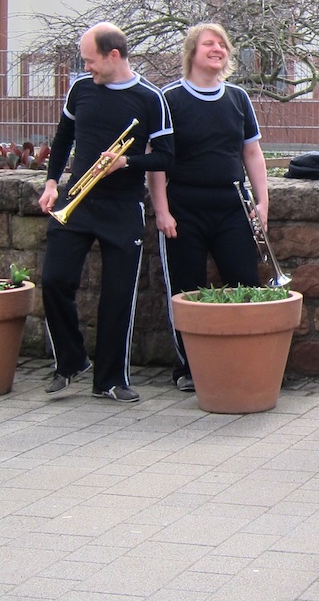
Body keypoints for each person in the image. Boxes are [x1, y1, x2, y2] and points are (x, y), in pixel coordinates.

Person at [39, 22, 174, 403]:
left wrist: (126, 162)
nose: (87, 69)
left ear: (114, 56)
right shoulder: (81, 89)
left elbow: (167, 156)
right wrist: (51, 183)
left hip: (122, 206)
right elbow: (63, 137)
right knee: (54, 280)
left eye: (90, 60)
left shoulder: (150, 97)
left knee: (117, 295)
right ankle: (70, 359)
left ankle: (110, 380)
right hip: (75, 202)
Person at [148, 23, 268, 392]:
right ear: (192, 52)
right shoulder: (168, 99)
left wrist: (263, 202)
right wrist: (162, 211)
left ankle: (245, 361)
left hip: (232, 206)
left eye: (222, 45)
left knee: (245, 282)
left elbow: (252, 152)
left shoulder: (238, 98)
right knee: (187, 292)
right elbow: (155, 160)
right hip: (184, 208)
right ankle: (189, 368)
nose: (218, 49)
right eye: (209, 44)